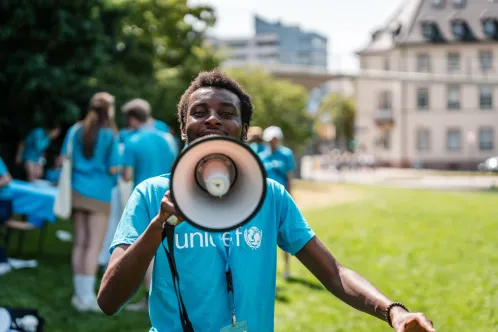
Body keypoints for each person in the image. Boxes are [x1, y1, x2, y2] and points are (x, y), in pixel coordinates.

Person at [98, 71, 436, 332]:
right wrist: (159, 226)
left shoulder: (270, 196)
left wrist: (393, 311)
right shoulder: (151, 195)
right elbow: (109, 300)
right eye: (199, 112)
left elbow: (333, 272)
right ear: (184, 128)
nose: (212, 118)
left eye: (226, 112)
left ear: (244, 131)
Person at [61, 92, 120, 312]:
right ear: (109, 109)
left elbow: (65, 158)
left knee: (79, 243)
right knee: (93, 246)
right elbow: (114, 167)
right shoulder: (110, 134)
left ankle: (79, 296)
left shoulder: (75, 129)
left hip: (77, 190)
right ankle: (87, 297)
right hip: (100, 193)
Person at [260, 125, 295, 280]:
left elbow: (289, 177)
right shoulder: (261, 157)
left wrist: (290, 197)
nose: (272, 142)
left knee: (284, 234)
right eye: (269, 140)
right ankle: (268, 269)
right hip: (265, 202)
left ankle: (287, 268)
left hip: (281, 200)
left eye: (274, 139)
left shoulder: (286, 154)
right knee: (266, 235)